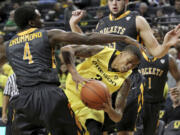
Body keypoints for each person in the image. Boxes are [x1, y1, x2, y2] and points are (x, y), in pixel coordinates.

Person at [1, 5, 149, 135]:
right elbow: (88, 38)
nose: (43, 21)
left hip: (23, 98)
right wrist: (123, 38)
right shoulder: (48, 34)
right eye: (40, 18)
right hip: (49, 94)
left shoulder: (8, 45)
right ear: (31, 22)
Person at [69, 1, 180, 133]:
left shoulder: (137, 20)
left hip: (128, 79)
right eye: (111, 0)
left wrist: (166, 45)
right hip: (106, 80)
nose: (114, 3)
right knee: (101, 128)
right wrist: (73, 24)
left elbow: (156, 51)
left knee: (125, 130)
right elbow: (86, 45)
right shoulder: (102, 22)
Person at [60, 44, 142, 135]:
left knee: (95, 130)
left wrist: (110, 110)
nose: (129, 66)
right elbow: (67, 50)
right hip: (72, 92)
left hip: (92, 105)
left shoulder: (125, 81)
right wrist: (74, 73)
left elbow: (118, 116)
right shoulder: (102, 51)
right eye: (129, 61)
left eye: (134, 65)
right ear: (122, 54)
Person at [135, 51, 180, 135]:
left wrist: (177, 90)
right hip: (139, 102)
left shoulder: (168, 58)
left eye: (159, 37)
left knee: (151, 132)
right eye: (154, 36)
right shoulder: (137, 55)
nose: (156, 39)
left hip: (156, 103)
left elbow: (178, 79)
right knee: (136, 132)